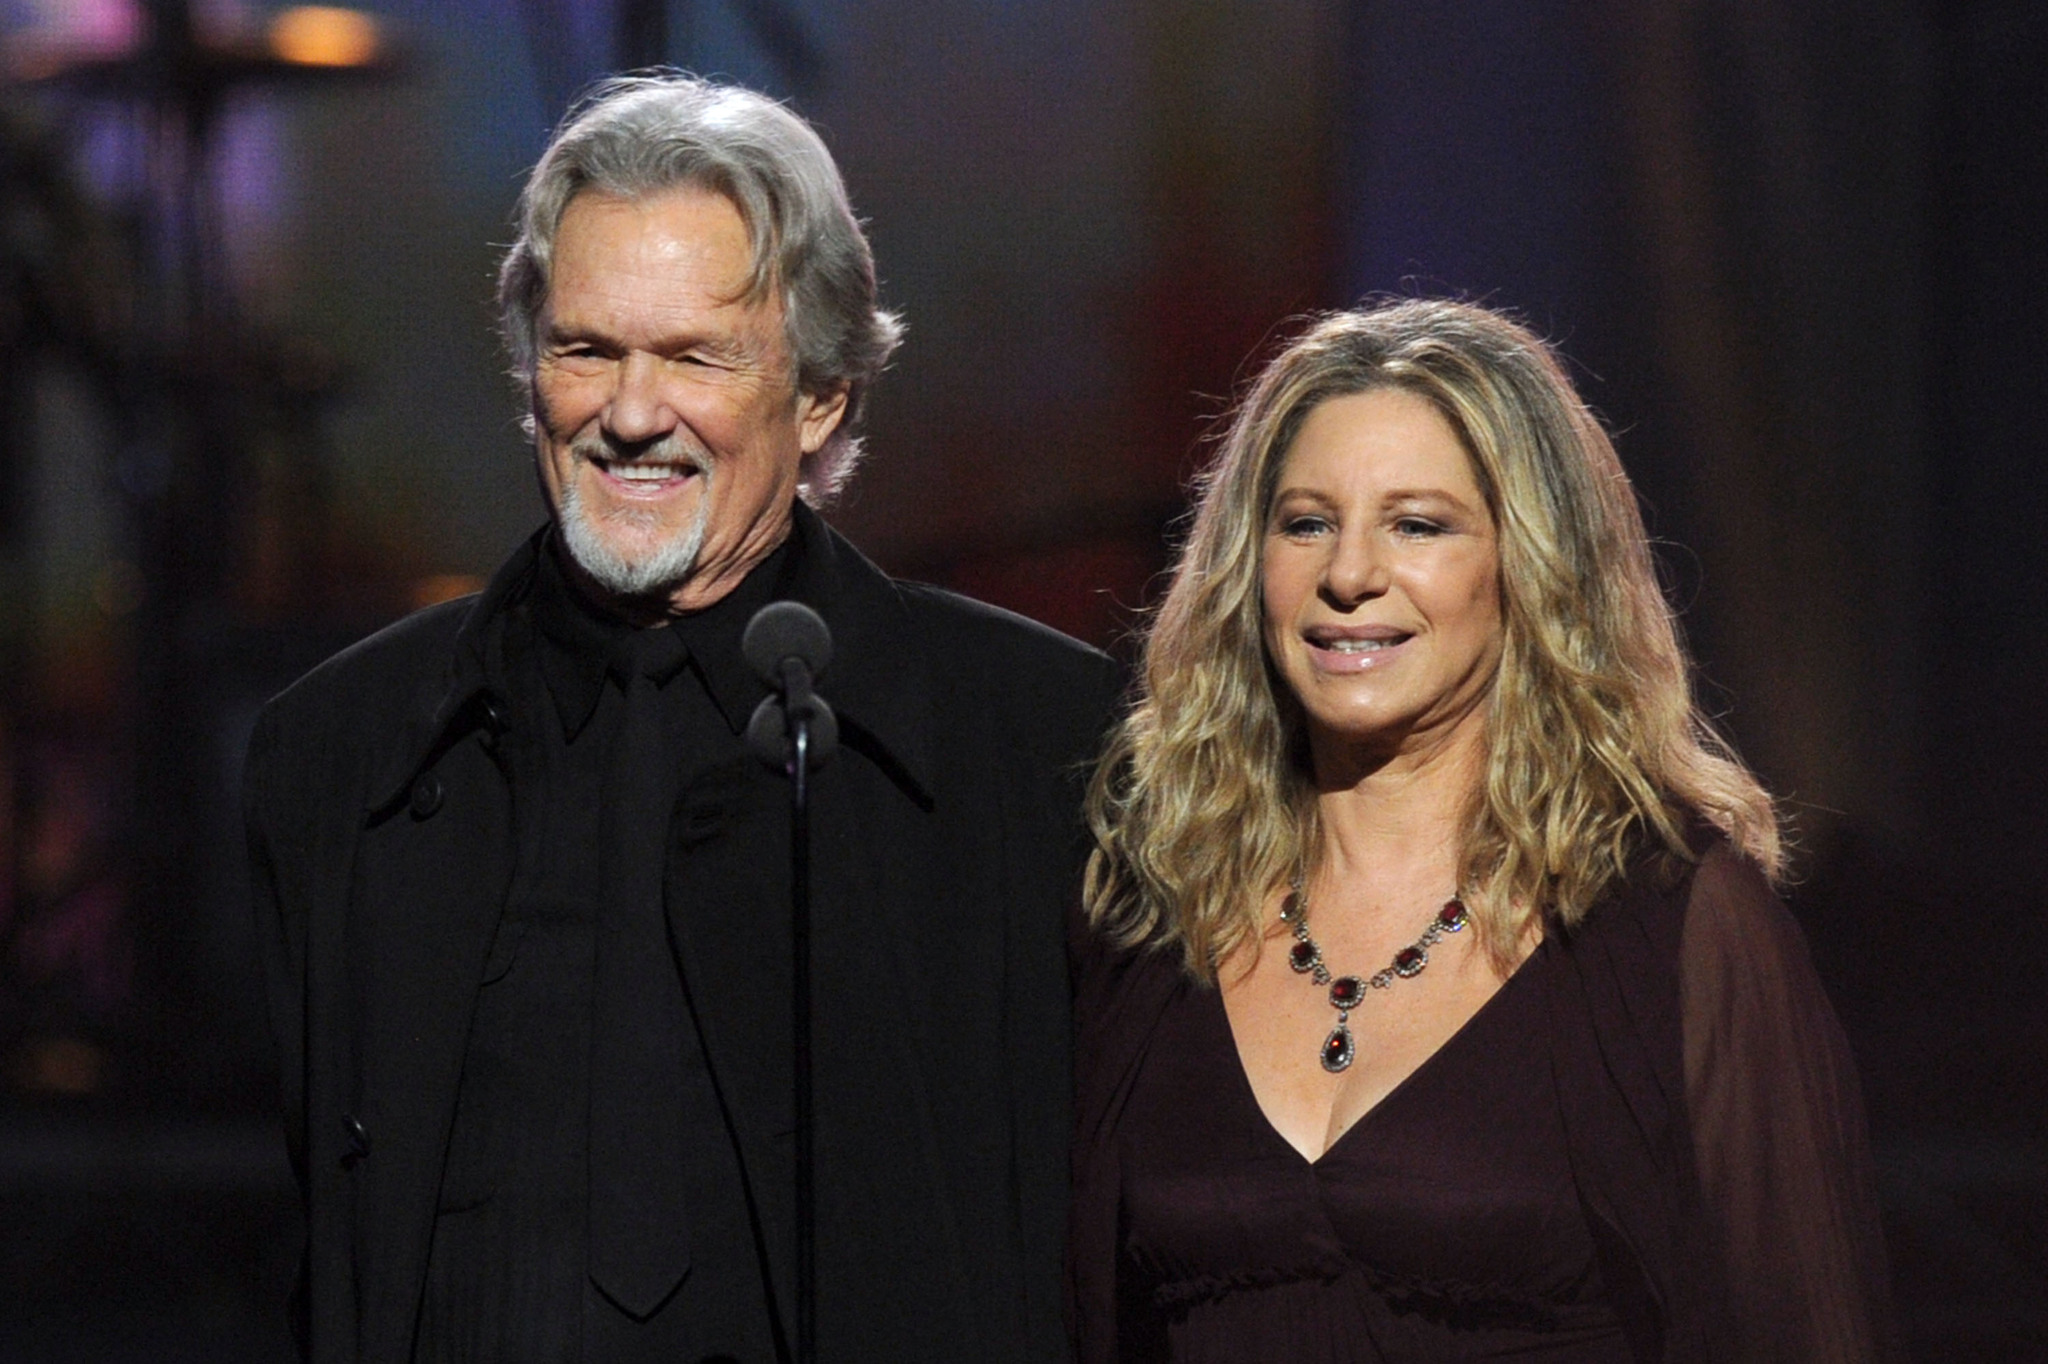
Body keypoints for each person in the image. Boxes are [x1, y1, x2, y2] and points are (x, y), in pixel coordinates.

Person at [245, 73, 1118, 1362]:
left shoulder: (1042, 749)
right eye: (585, 349)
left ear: (820, 393)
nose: (632, 413)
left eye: (696, 356)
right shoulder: (340, 753)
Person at [1068, 300, 1901, 1362]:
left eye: (1417, 524)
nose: (1348, 574)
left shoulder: (1669, 928)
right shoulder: (1152, 912)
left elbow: (1808, 1330)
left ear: (1530, 569)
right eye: (1305, 521)